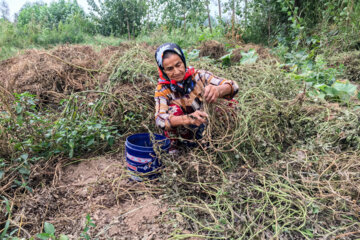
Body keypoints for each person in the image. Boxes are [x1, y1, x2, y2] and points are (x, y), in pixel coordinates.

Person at [154, 43, 239, 150]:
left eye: (178, 65)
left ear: (183, 61)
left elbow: (234, 86)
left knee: (229, 103)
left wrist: (218, 90)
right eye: (170, 69)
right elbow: (159, 119)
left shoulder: (199, 76)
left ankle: (224, 140)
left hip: (205, 127)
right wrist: (187, 119)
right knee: (173, 111)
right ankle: (176, 150)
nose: (176, 71)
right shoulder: (162, 89)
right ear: (163, 70)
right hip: (183, 133)